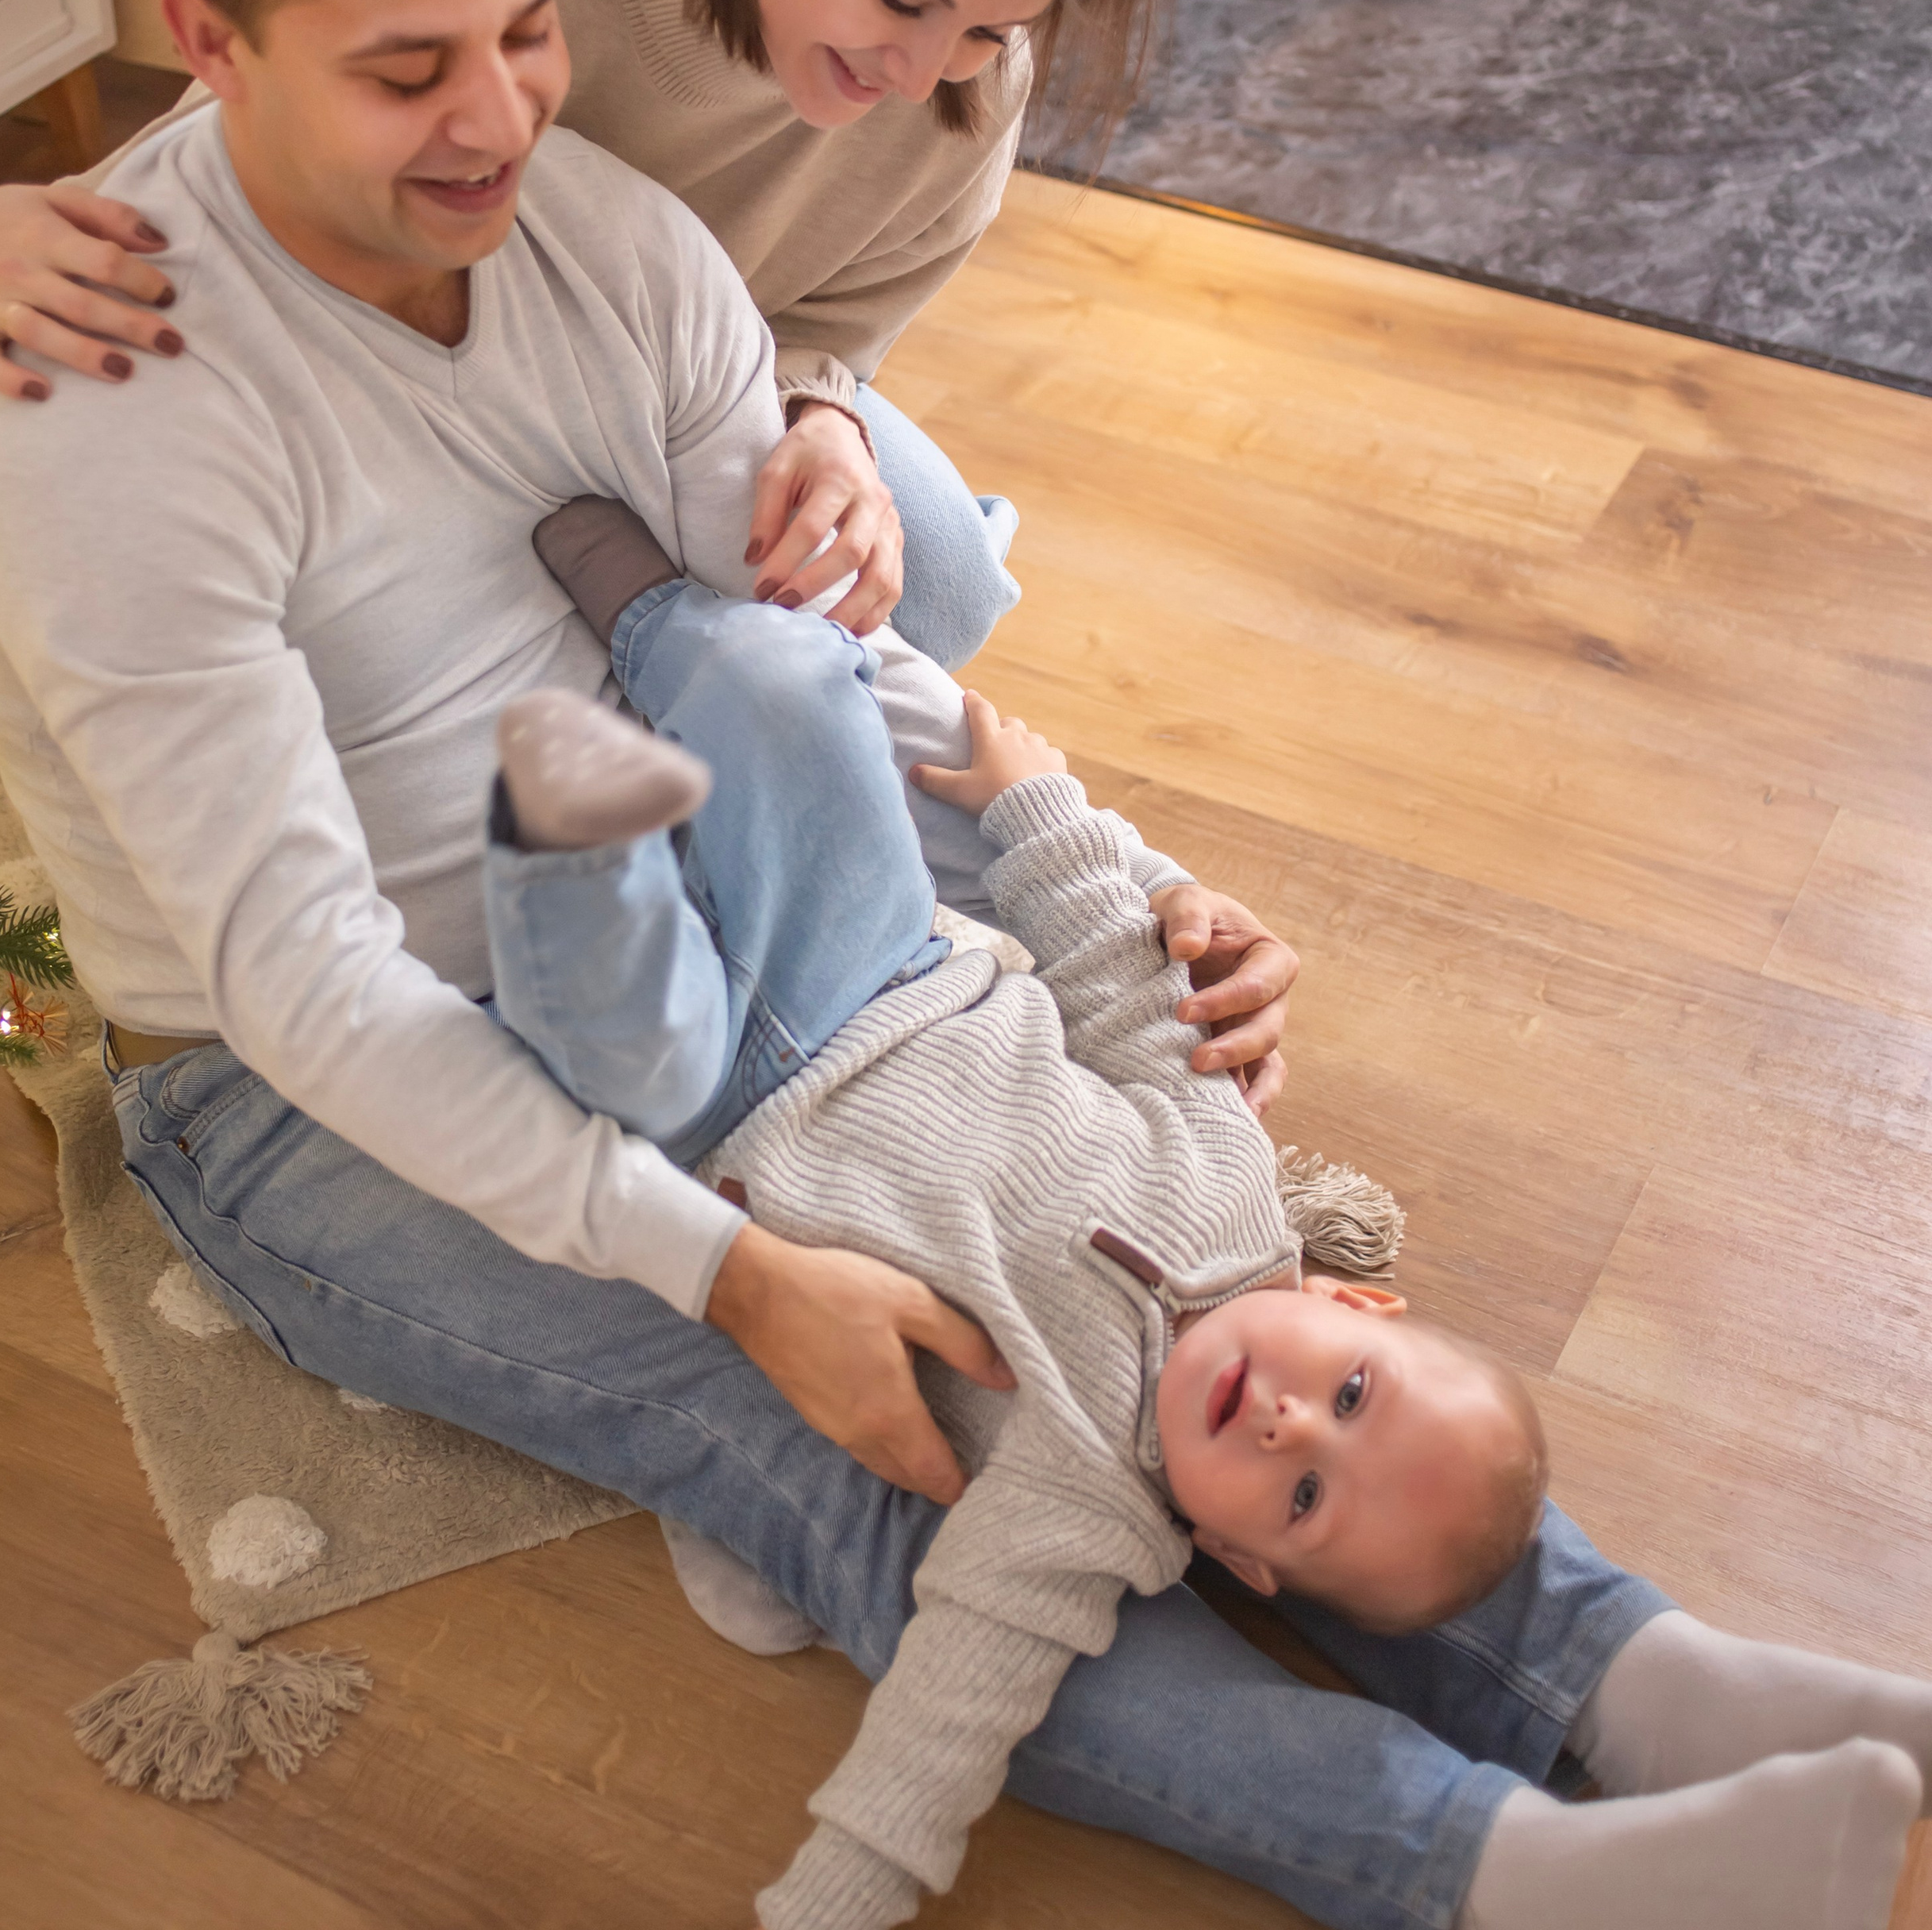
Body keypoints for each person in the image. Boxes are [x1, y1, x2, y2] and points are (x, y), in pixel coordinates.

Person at [0, 0, 1931, 1930]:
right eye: (407, 70)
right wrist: (729, 1275)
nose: (496, 123)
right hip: (317, 1086)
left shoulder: (606, 236)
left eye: (528, 38)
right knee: (922, 1475)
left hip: (711, 898)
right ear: (205, 40)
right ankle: (1496, 1872)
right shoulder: (101, 415)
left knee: (1189, 1325)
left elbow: (790, 643)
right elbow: (305, 986)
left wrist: (1123, 866)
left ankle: (1624, 1672)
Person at [501, 513, 1924, 1930]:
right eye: (1350, 1391)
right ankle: (619, 578)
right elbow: (1126, 994)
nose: (1290, 1428)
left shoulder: (1074, 1512)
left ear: (1232, 1559)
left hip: (713, 1116)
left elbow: (944, 1722)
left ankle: (549, 788)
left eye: (1300, 1497)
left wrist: (829, 1903)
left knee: (593, 966)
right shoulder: (1236, 1185)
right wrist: (1033, 804)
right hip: (896, 967)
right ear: (1353, 1301)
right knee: (777, 699)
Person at [0, 0, 1175, 676]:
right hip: (428, 391)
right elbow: (229, 157)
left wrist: (828, 416)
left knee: (934, 582)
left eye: (989, 30)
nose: (918, 74)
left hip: (690, 400)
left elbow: (833, 320)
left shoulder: (961, 96)